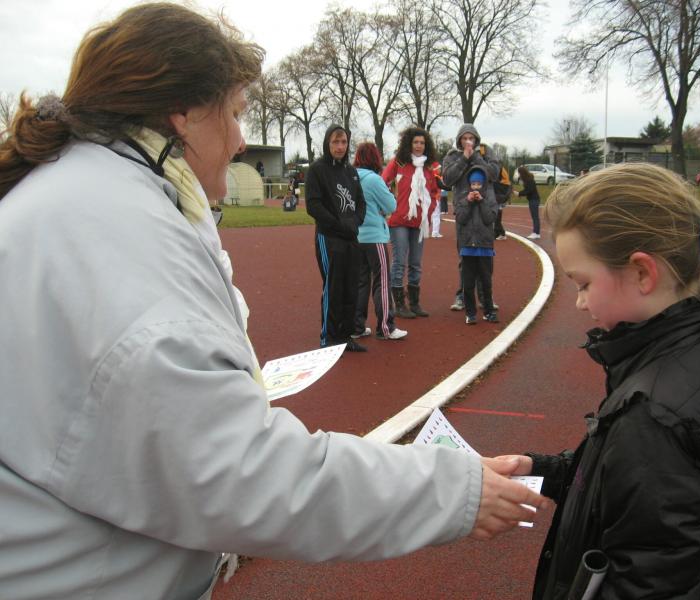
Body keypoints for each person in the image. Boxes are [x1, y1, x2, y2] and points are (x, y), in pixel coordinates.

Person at [0, 5, 552, 598]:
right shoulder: (119, 238)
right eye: (236, 113)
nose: (241, 141)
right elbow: (240, 475)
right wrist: (452, 490)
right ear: (182, 114)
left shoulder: (78, 197)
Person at [502, 163, 700, 599]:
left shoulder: (652, 417)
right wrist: (544, 472)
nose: (579, 303)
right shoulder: (696, 347)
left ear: (643, 272)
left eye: (583, 284)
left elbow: (648, 580)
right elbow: (635, 494)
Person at [305, 124, 368, 352]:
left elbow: (361, 203)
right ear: (327, 143)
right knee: (334, 287)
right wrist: (338, 224)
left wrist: (355, 222)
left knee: (351, 288)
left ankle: (345, 336)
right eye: (335, 142)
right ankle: (329, 339)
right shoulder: (317, 170)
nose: (340, 147)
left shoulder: (351, 172)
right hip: (329, 238)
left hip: (351, 238)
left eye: (343, 142)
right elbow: (313, 205)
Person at [382, 126, 440, 318]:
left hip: (420, 223)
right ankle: (398, 304)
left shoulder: (430, 167)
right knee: (400, 261)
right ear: (409, 143)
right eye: (415, 142)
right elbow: (382, 183)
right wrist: (390, 205)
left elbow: (435, 192)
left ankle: (414, 303)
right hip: (399, 220)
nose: (419, 146)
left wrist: (429, 210)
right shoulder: (398, 163)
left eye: (422, 142)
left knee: (415, 263)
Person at [352, 142, 407, 341]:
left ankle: (356, 326)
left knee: (360, 282)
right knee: (382, 282)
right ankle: (386, 327)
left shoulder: (350, 177)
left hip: (355, 236)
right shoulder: (374, 179)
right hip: (374, 236)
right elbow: (391, 205)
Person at [442, 124, 500, 312]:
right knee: (465, 255)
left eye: (471, 138)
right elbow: (447, 179)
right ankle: (462, 296)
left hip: (484, 208)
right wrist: (464, 158)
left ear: (476, 139)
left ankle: (485, 297)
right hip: (464, 209)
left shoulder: (486, 152)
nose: (468, 141)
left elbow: (493, 174)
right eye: (465, 138)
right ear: (459, 140)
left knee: (485, 255)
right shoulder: (452, 156)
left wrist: (475, 156)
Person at [455, 168, 499, 324]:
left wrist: (481, 201)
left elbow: (489, 218)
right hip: (468, 247)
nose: (476, 187)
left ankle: (488, 311)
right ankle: (470, 313)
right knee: (468, 283)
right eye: (473, 184)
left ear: (483, 184)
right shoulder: (462, 199)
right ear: (469, 184)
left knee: (486, 282)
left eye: (478, 184)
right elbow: (460, 218)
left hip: (485, 247)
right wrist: (468, 201)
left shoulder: (489, 199)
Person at [516, 165, 541, 239]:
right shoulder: (528, 180)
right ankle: (536, 233)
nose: (519, 175)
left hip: (534, 200)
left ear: (522, 173)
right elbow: (527, 190)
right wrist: (520, 193)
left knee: (535, 217)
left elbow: (528, 190)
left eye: (519, 173)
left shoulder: (530, 180)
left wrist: (519, 193)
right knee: (535, 217)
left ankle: (536, 233)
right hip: (532, 199)